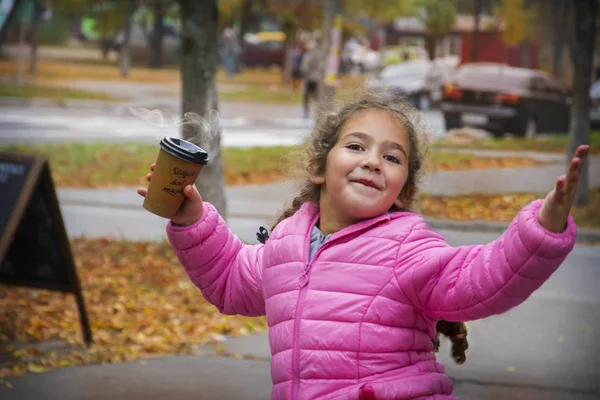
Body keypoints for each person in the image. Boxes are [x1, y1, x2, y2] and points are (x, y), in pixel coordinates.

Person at [137, 92, 589, 400]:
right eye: (357, 146)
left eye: (392, 157)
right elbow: (232, 281)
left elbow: (480, 278)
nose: (373, 161)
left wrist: (542, 227)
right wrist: (192, 218)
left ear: (402, 189)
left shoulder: (405, 246)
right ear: (319, 166)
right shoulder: (288, 242)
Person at [300, 39, 322, 118]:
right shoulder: (321, 54)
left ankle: (306, 111)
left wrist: (303, 75)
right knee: (317, 96)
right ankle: (318, 111)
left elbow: (304, 67)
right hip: (319, 79)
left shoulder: (308, 54)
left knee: (306, 95)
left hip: (309, 78)